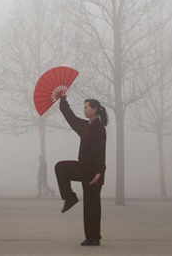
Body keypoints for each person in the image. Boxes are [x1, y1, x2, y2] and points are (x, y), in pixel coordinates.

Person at [55, 91, 107, 247]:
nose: (84, 110)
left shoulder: (98, 128)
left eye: (86, 107)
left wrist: (99, 172)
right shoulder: (86, 126)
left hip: (94, 172)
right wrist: (63, 100)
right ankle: (70, 197)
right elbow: (70, 117)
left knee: (92, 205)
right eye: (84, 107)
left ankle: (93, 238)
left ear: (95, 109)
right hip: (85, 169)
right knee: (61, 167)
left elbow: (100, 151)